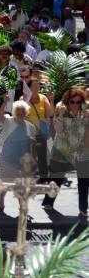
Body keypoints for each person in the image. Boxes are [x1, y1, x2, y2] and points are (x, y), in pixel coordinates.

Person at [42, 88, 88, 217]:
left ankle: (83, 208)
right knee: (56, 177)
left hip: (81, 149)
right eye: (72, 102)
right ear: (68, 101)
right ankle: (48, 202)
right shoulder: (60, 107)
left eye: (78, 102)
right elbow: (58, 130)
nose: (75, 105)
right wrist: (61, 116)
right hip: (61, 148)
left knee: (84, 180)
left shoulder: (86, 108)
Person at [0, 99, 37, 212]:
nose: (20, 115)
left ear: (25, 113)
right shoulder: (9, 121)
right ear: (14, 112)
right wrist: (4, 103)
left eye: (22, 113)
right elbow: (0, 118)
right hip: (7, 158)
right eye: (17, 113)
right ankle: (1, 200)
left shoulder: (30, 127)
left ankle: (22, 207)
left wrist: (32, 142)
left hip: (22, 161)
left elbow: (33, 143)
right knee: (4, 182)